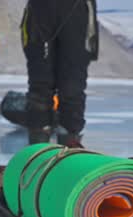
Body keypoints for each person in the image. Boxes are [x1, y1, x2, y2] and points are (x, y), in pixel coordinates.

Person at [22, 0, 98, 148]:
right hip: (40, 9)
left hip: (77, 9)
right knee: (40, 86)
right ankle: (37, 152)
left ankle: (69, 153)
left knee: (72, 88)